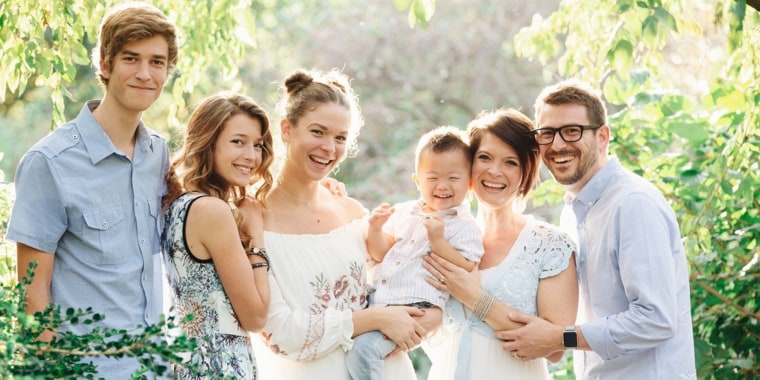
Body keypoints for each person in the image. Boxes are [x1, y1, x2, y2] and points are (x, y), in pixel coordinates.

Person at [6, 3, 178, 377]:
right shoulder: (50, 163)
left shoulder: (158, 154)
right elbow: (31, 301)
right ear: (104, 63)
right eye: (131, 58)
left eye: (157, 61)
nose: (145, 74)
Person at [498, 79, 696, 379]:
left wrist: (560, 337)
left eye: (572, 131)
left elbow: (656, 319)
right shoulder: (573, 212)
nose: (558, 144)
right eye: (547, 133)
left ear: (603, 136)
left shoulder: (632, 204)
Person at [251, 68, 429, 380]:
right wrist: (375, 319)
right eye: (317, 132)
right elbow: (282, 334)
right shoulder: (254, 219)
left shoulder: (351, 211)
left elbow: (398, 287)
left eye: (340, 138)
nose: (329, 148)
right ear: (287, 129)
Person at [421, 108, 578, 380]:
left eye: (510, 162)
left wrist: (475, 299)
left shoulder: (550, 243)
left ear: (526, 172)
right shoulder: (440, 235)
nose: (494, 171)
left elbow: (554, 349)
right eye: (484, 158)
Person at [346, 126, 484, 380]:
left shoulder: (464, 225)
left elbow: (467, 265)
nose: (442, 186)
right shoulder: (403, 212)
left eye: (453, 178)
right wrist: (375, 229)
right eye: (432, 178)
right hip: (379, 305)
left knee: (364, 351)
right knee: (354, 348)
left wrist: (439, 242)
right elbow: (380, 253)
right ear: (417, 180)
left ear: (470, 182)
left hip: (419, 309)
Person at [161, 92, 272, 378]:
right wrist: (256, 233)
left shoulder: (177, 204)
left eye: (257, 145)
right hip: (220, 367)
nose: (251, 156)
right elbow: (255, 317)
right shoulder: (212, 212)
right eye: (238, 141)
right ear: (208, 143)